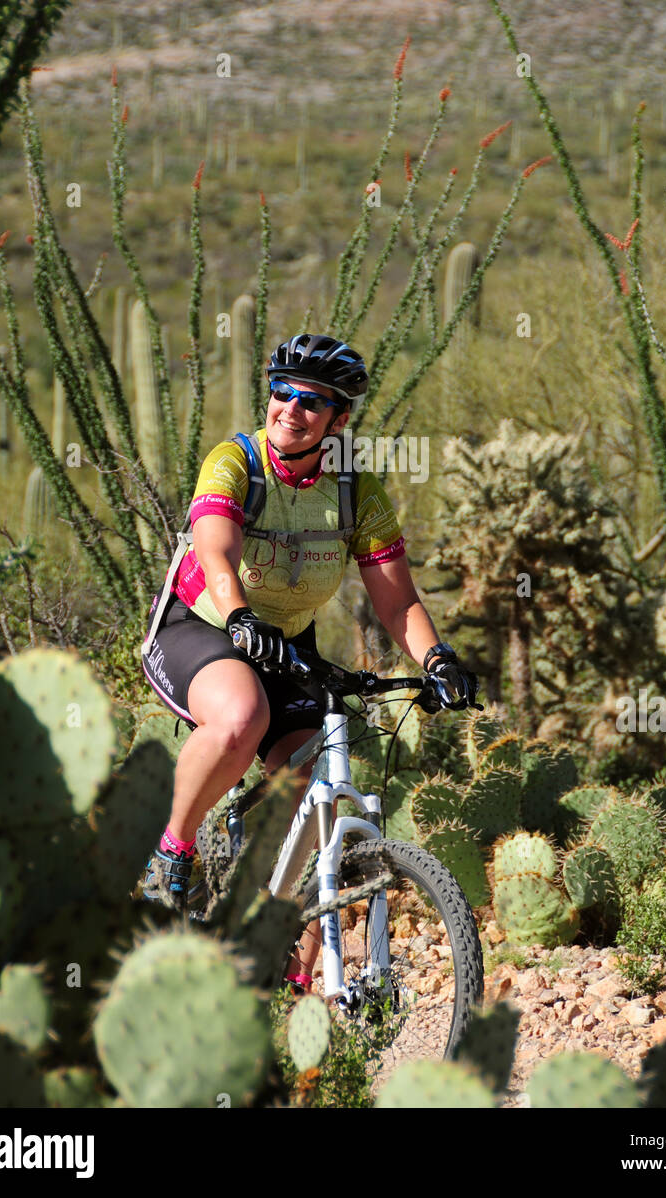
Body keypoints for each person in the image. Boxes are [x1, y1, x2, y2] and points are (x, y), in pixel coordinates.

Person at [139, 333, 478, 985]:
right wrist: (238, 615)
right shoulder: (236, 460)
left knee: (308, 778)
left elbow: (396, 600)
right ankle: (171, 853)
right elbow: (215, 548)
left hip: (285, 640)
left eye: (311, 402)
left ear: (338, 419)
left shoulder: (354, 490)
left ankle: (274, 940)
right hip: (200, 624)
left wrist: (436, 658)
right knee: (240, 715)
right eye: (280, 393)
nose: (289, 410)